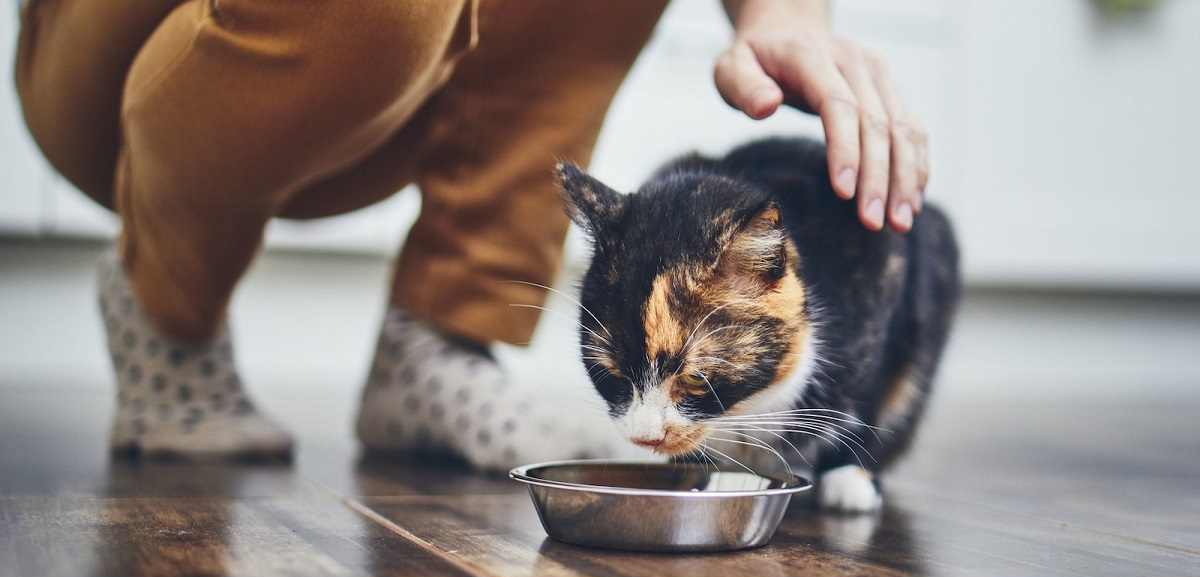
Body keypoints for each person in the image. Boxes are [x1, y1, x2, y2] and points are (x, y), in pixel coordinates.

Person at [14, 0, 929, 466]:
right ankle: (166, 302)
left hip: (400, 88)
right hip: (137, 63)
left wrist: (782, 22)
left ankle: (437, 335)